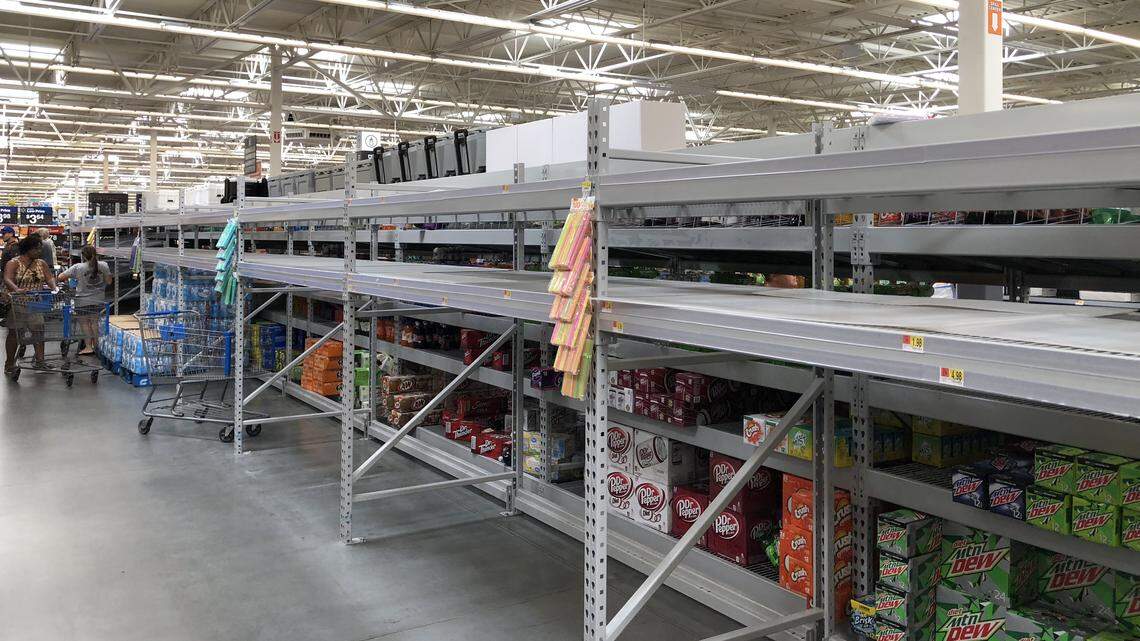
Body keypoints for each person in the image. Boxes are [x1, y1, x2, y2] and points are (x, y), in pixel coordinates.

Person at [3, 234, 57, 375]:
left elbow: (49, 277)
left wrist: (54, 287)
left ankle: (40, 361)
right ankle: (9, 363)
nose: (39, 252)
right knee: (15, 334)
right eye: (36, 249)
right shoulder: (14, 263)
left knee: (38, 333)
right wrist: (17, 289)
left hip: (36, 304)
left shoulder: (41, 263)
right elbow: (7, 279)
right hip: (17, 304)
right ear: (28, 249)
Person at [58, 245, 111, 355]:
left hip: (82, 301)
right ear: (95, 254)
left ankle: (88, 347)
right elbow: (109, 281)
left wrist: (75, 279)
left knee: (85, 324)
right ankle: (97, 346)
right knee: (95, 323)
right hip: (99, 299)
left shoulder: (78, 267)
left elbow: (60, 277)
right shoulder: (104, 265)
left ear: (83, 255)